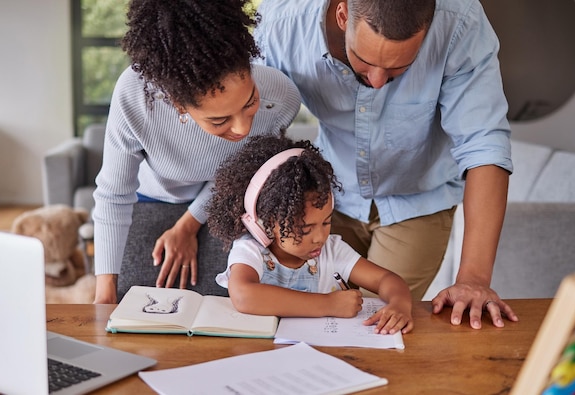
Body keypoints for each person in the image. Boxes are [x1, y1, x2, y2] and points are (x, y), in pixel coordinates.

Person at [254, 0, 519, 329]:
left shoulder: (460, 22)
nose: (378, 81)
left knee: (373, 326)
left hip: (418, 200)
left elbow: (484, 145)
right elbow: (255, 126)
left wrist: (474, 278)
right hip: (327, 194)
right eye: (364, 62)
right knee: (312, 318)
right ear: (342, 15)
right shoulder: (283, 25)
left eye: (398, 69)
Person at [91, 0, 301, 303]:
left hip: (229, 198)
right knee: (132, 297)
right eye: (219, 120)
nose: (242, 128)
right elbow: (114, 194)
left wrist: (188, 225)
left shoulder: (281, 97)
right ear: (177, 103)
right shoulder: (134, 96)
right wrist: (104, 294)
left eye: (249, 101)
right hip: (150, 198)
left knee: (229, 297)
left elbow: (244, 172)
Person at [206, 134, 414, 335]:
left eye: (327, 222)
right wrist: (327, 304)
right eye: (305, 229)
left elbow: (387, 280)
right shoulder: (251, 250)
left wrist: (400, 304)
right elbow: (244, 296)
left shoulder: (332, 250)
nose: (320, 237)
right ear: (267, 223)